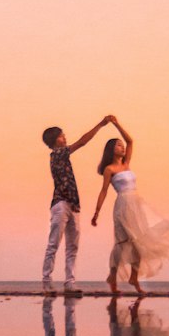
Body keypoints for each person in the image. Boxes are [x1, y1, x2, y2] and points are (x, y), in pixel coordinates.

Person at [91, 116, 169, 295]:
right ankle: (113, 276)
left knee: (140, 242)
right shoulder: (109, 169)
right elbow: (103, 191)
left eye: (121, 145)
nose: (122, 147)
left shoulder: (126, 164)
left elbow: (130, 140)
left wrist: (117, 124)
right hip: (123, 206)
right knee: (123, 243)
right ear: (111, 150)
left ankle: (133, 277)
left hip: (137, 204)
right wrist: (96, 212)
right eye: (118, 145)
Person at [41, 115, 112, 294]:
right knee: (54, 244)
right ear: (54, 141)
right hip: (61, 203)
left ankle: (70, 282)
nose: (65, 138)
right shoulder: (57, 154)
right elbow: (82, 142)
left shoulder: (61, 155)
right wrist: (100, 124)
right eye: (61, 136)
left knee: (72, 246)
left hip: (73, 204)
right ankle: (46, 280)